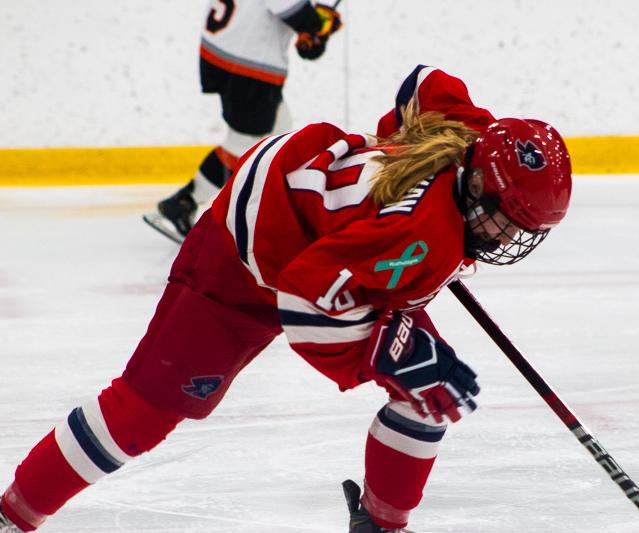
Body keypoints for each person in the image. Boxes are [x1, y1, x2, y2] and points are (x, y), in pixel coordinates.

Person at [0, 65, 572, 533]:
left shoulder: (475, 137)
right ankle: (12, 514)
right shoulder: (421, 239)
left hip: (321, 224)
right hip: (245, 252)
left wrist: (403, 151)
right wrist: (385, 352)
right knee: (145, 410)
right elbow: (305, 299)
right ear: (478, 185)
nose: (506, 239)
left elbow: (422, 84)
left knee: (428, 391)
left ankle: (380, 525)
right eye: (505, 221)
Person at [143, 0, 343, 243]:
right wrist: (316, 23)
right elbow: (292, 12)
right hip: (246, 64)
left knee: (276, 130)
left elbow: (300, 32)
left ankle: (197, 204)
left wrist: (313, 27)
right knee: (246, 143)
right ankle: (206, 211)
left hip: (229, 54)